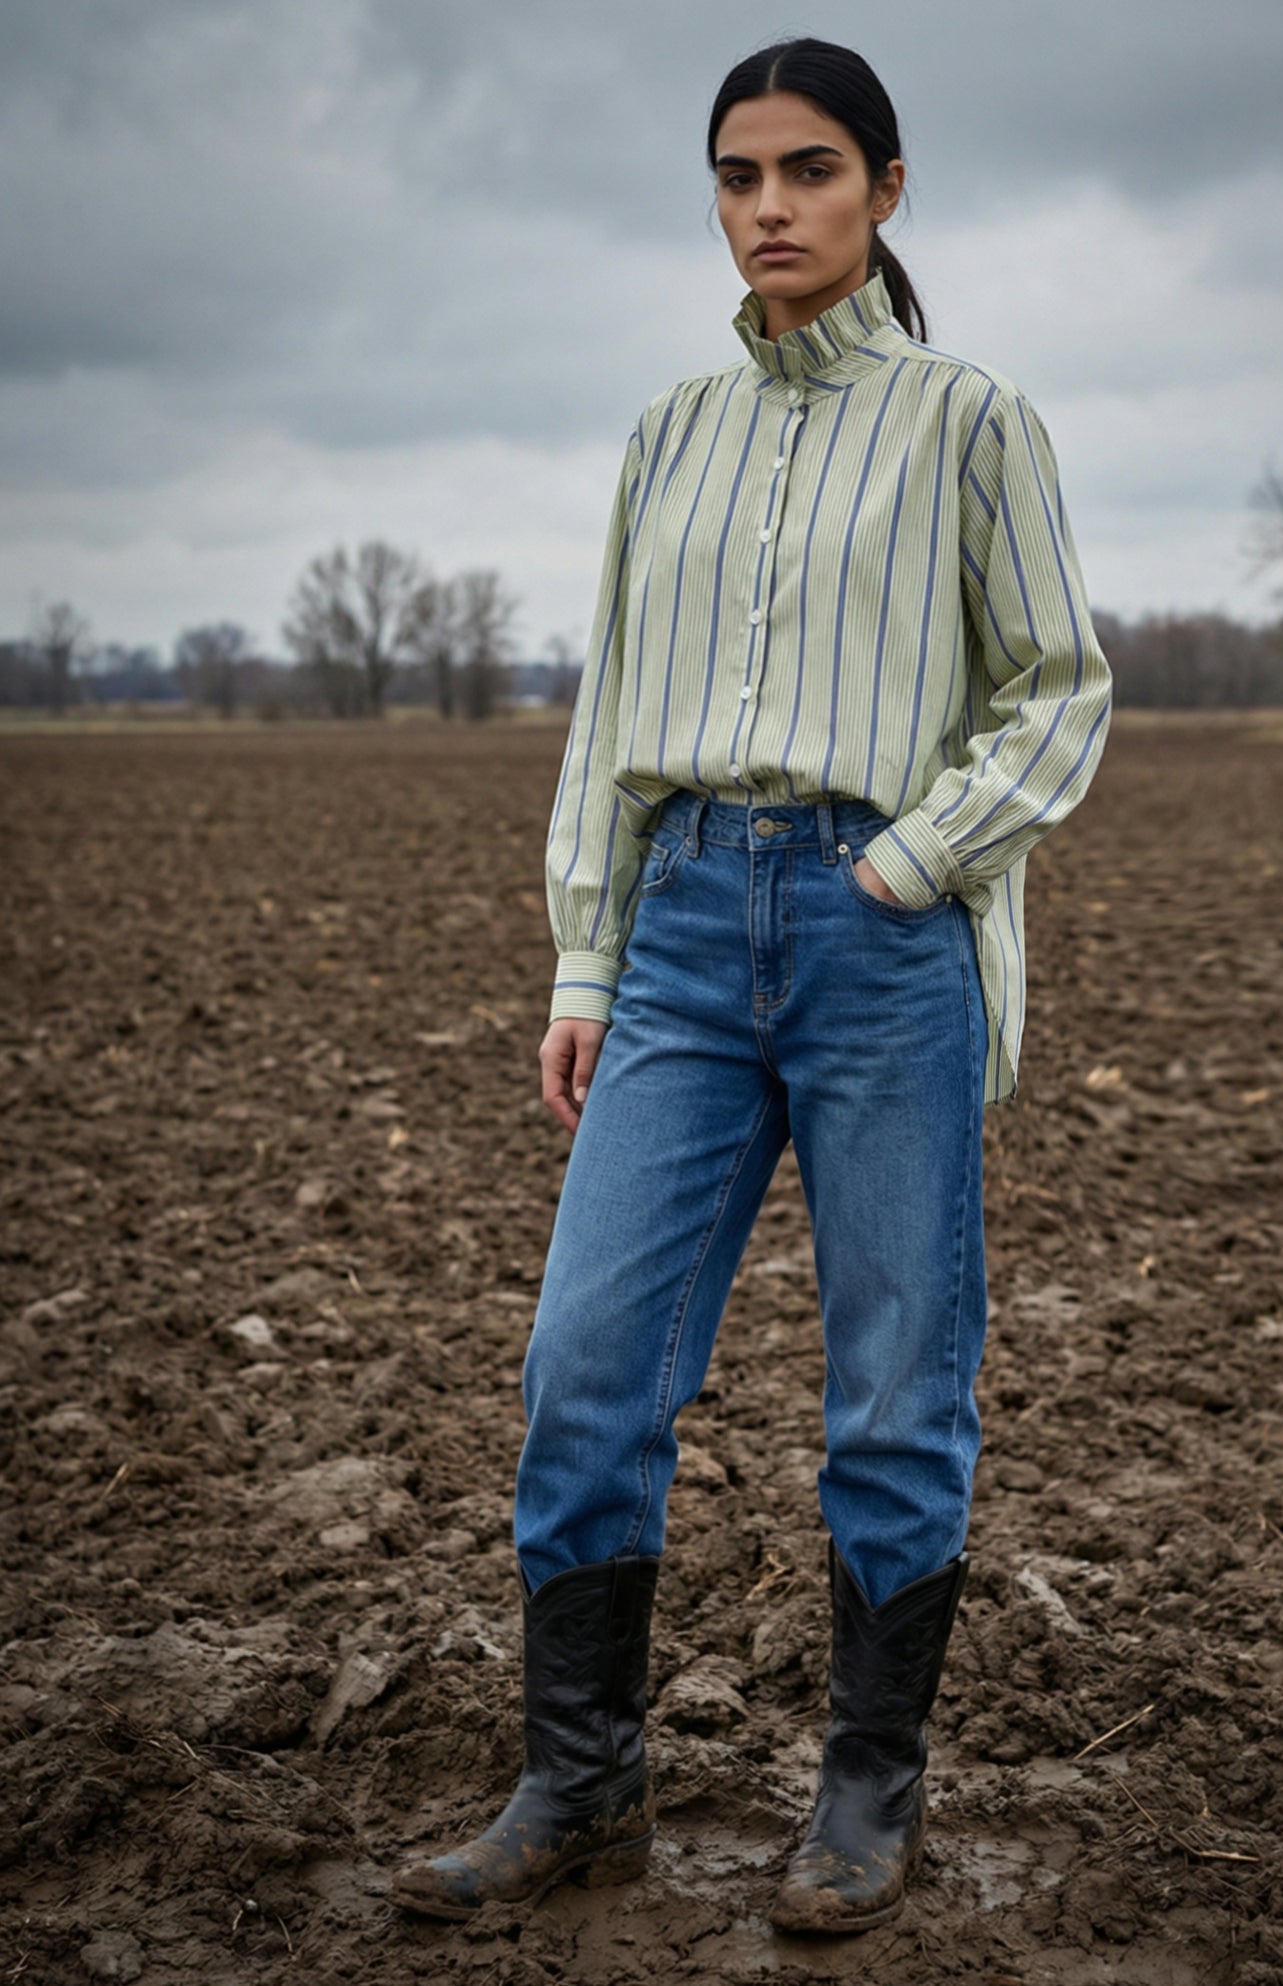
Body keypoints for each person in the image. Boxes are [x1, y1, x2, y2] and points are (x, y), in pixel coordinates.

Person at [391, 36, 1111, 1936]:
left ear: (885, 189)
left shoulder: (972, 421)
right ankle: (582, 1781)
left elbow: (1059, 689)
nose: (768, 206)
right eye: (736, 174)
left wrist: (912, 862)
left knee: (890, 1386)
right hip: (688, 926)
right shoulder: (667, 434)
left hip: (887, 938)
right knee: (585, 1367)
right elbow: (612, 712)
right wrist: (586, 950)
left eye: (807, 170)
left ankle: (866, 1796)